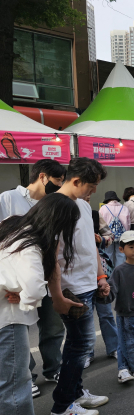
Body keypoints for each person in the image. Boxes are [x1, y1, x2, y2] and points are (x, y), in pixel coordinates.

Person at [0, 194, 80, 415]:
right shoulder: (32, 244)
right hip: (7, 318)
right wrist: (24, 295)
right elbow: (34, 289)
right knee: (14, 377)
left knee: (10, 375)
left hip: (4, 310)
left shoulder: (13, 226)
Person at [49, 157, 111, 415]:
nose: (93, 191)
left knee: (78, 344)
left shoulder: (83, 206)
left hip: (87, 283)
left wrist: (100, 276)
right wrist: (57, 294)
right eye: (91, 185)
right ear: (76, 181)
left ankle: (74, 393)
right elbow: (49, 255)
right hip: (72, 288)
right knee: (80, 346)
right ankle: (61, 407)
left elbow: (90, 246)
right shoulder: (57, 207)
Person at [0, 159, 66, 397]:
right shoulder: (7, 199)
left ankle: (53, 367)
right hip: (15, 282)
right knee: (19, 332)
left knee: (52, 326)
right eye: (57, 181)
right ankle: (26, 376)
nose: (59, 187)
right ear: (42, 177)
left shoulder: (52, 204)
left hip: (45, 274)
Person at [97, 231, 134, 383]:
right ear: (121, 249)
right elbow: (111, 292)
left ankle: (125, 368)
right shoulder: (119, 270)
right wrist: (105, 294)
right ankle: (132, 367)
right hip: (125, 311)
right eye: (131, 247)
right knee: (132, 339)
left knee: (128, 339)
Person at [85, 194, 118, 370]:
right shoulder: (68, 214)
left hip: (101, 271)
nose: (86, 199)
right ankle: (87, 353)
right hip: (80, 274)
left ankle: (113, 347)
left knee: (105, 312)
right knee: (86, 315)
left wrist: (102, 239)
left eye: (89, 197)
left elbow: (110, 235)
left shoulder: (95, 214)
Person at [99, 191, 131, 267]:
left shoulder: (103, 208)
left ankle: (110, 273)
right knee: (121, 254)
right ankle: (119, 272)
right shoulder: (124, 208)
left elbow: (100, 223)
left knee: (108, 253)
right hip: (122, 236)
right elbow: (128, 224)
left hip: (108, 236)